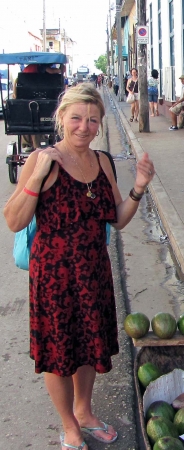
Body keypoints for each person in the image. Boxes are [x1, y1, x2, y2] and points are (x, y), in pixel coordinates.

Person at [3, 83, 155, 450]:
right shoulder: (44, 160)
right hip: (54, 276)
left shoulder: (102, 161)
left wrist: (139, 186)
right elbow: (13, 220)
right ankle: (69, 424)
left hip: (93, 272)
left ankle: (85, 411)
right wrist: (36, 179)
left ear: (100, 122)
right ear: (62, 118)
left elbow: (116, 219)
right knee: (57, 354)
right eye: (76, 118)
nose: (83, 127)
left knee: (89, 345)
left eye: (92, 119)